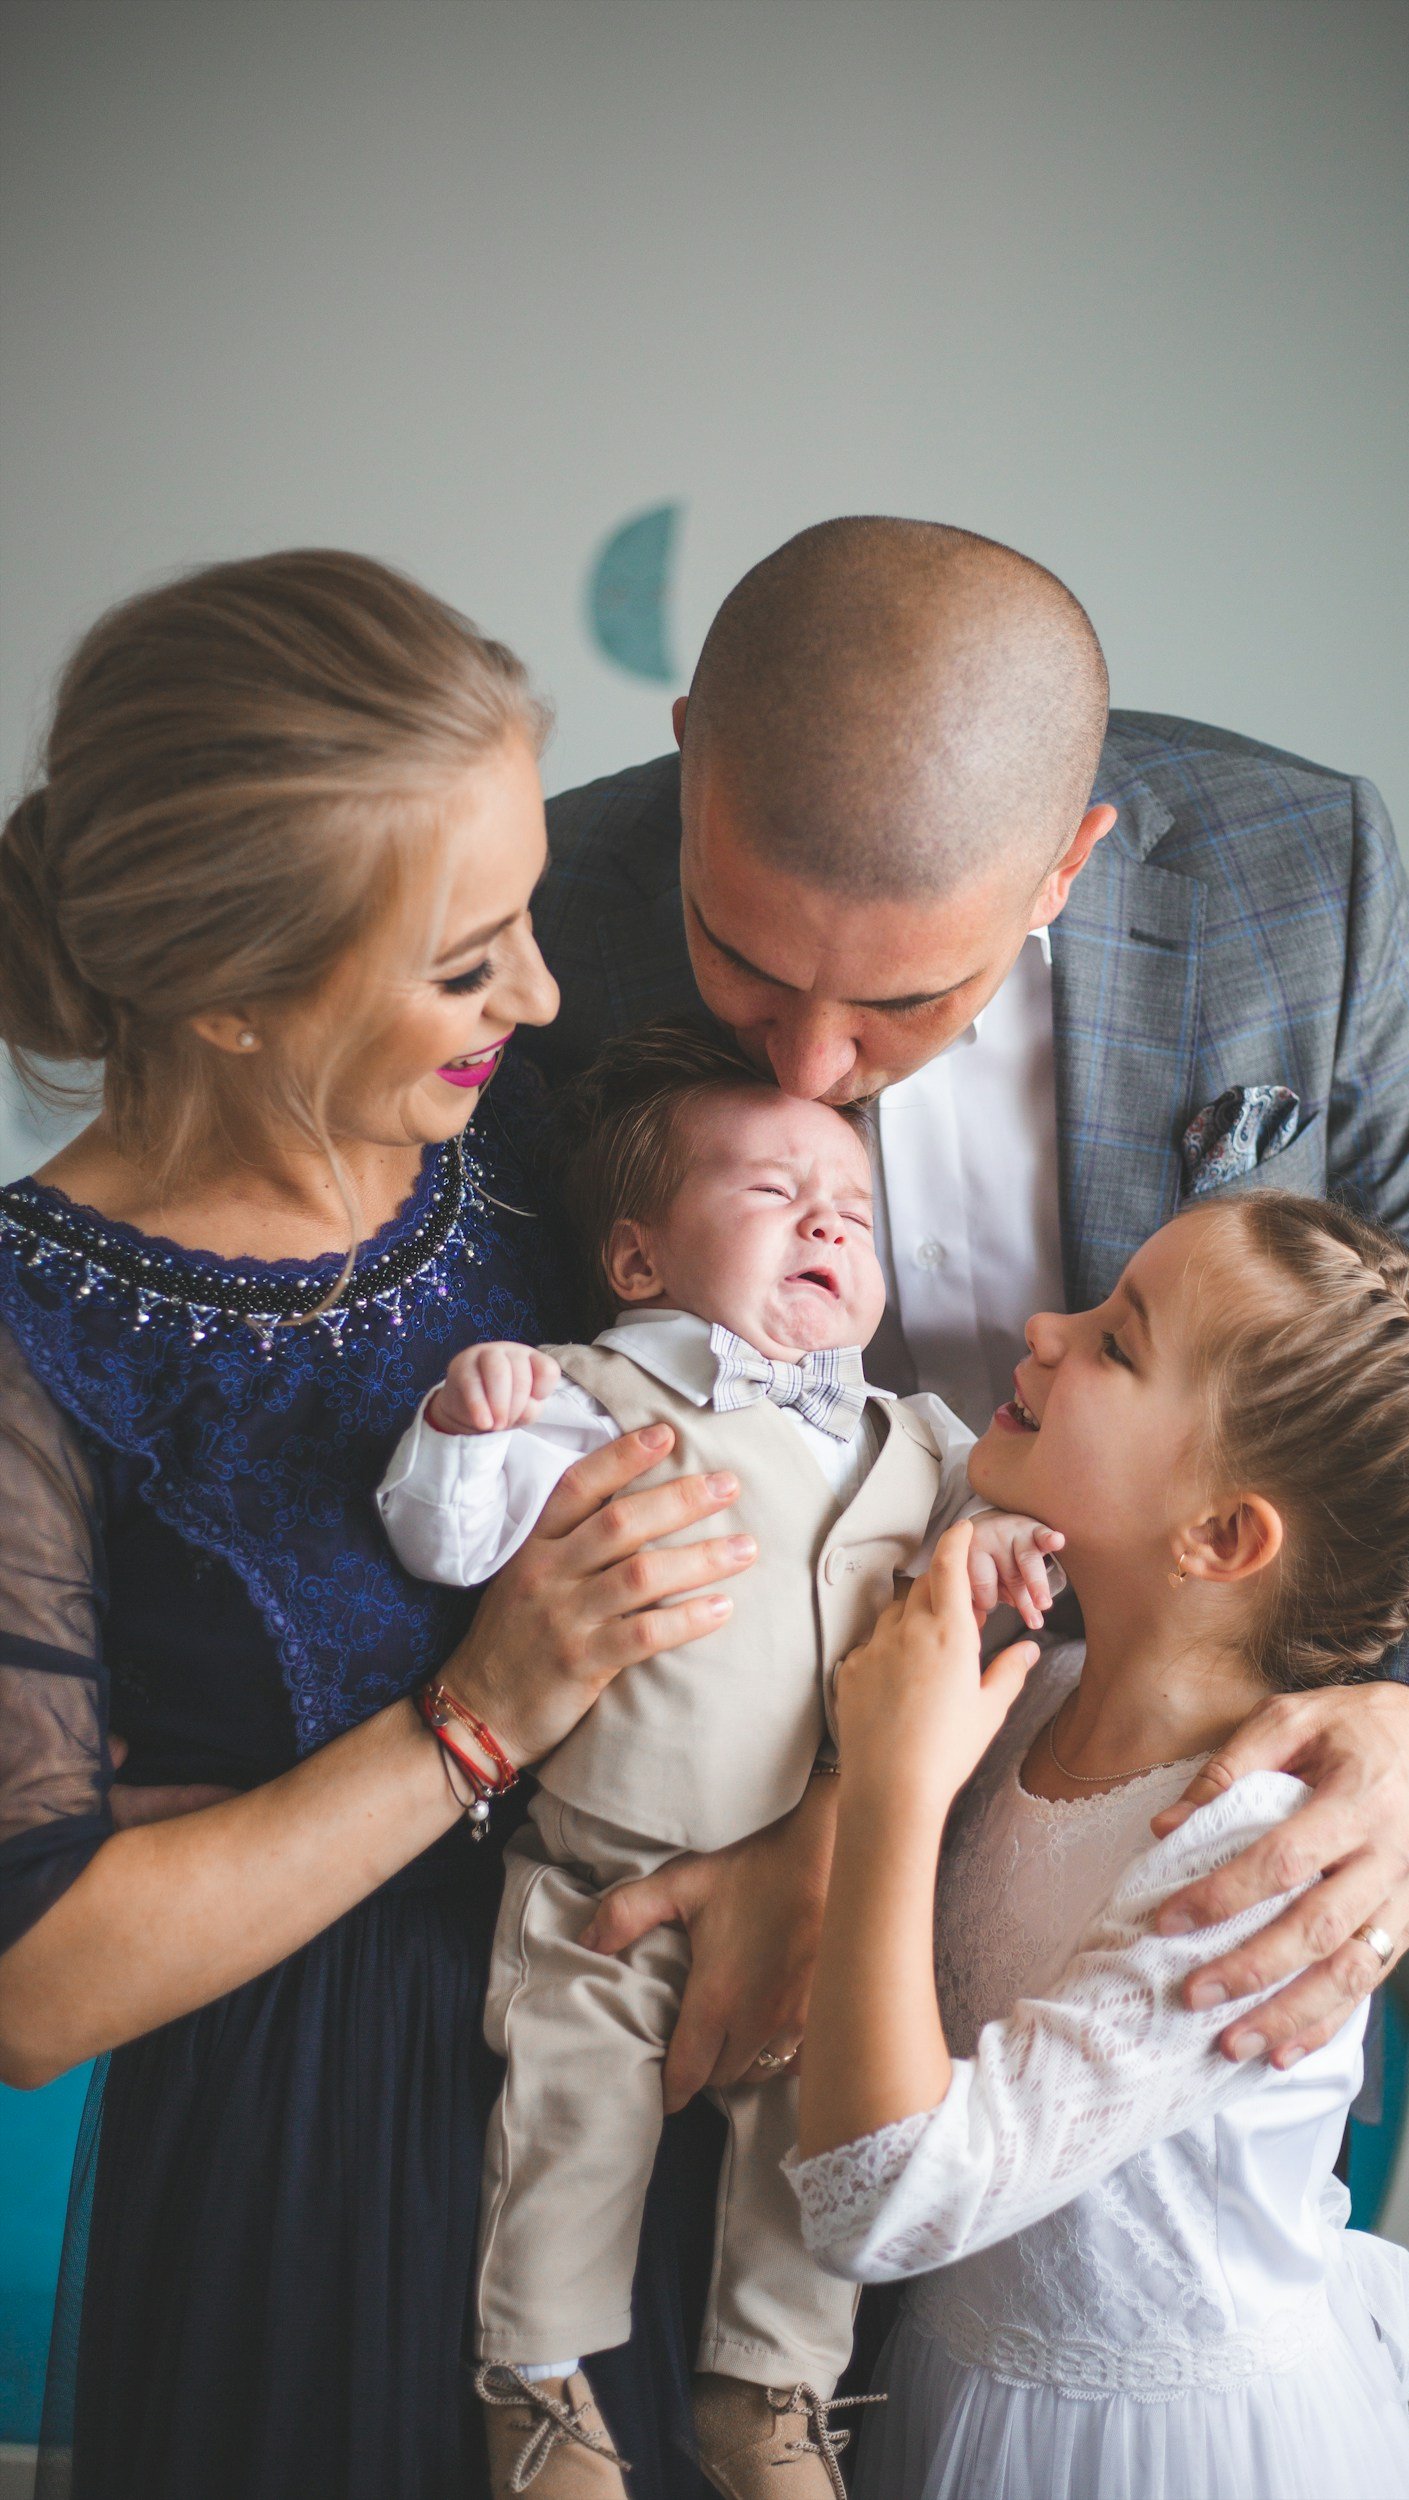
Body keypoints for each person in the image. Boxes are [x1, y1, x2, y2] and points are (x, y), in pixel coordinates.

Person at [526, 516, 1409, 2100]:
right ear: (692, 768)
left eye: (902, 1000)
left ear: (1068, 863)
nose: (804, 1069)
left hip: (1153, 1823)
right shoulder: (553, 912)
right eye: (741, 962)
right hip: (703, 1815)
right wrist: (801, 1806)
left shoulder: (1308, 881)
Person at [0, 554, 787, 2500]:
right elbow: (36, 1980)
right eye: (464, 958)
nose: (534, 988)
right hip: (322, 2162)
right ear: (228, 998)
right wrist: (482, 1714)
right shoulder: (31, 1339)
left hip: (648, 2072)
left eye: (526, 915)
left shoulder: (536, 1152)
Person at [376, 1019, 1059, 2500]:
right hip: (598, 1880)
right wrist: (460, 1423)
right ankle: (541, 2395)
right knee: (568, 2132)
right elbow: (448, 1542)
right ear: (635, 1261)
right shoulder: (582, 1393)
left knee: (816, 2157)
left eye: (854, 1209)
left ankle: (773, 2396)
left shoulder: (915, 1435)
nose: (827, 1217)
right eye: (768, 1192)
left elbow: (965, 1564)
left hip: (831, 1892)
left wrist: (990, 1541)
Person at [788, 1191, 1409, 2499]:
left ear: (1224, 1536)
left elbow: (882, 2202)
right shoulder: (1039, 1692)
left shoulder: (1243, 1857)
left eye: (1116, 1343)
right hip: (956, 2386)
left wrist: (894, 1782)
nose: (1044, 1328)